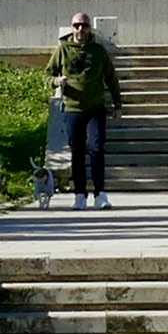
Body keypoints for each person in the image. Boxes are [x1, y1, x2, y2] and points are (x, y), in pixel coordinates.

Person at [49, 12, 120, 206]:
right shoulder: (63, 50)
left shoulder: (98, 51)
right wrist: (57, 81)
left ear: (89, 28)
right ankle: (80, 195)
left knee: (96, 149)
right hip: (73, 109)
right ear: (72, 28)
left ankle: (100, 194)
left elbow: (111, 78)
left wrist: (117, 105)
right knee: (77, 152)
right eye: (77, 25)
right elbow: (47, 75)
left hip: (96, 108)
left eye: (84, 25)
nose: (80, 29)